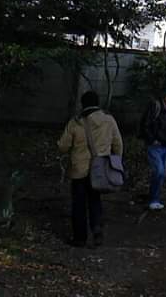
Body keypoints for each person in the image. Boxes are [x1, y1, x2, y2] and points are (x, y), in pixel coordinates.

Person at [58, 90, 123, 248]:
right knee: (95, 199)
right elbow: (118, 144)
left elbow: (63, 146)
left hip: (79, 169)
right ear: (97, 102)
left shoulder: (75, 122)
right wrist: (115, 161)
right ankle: (97, 229)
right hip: (100, 169)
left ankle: (80, 238)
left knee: (79, 204)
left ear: (83, 104)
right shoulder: (109, 119)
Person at [140, 88, 166, 210]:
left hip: (165, 143)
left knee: (161, 173)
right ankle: (153, 198)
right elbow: (145, 124)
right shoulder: (155, 107)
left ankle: (154, 198)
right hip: (155, 144)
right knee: (159, 171)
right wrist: (152, 139)